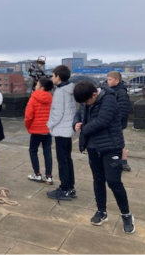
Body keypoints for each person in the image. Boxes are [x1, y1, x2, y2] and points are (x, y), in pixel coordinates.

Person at [73, 81, 135, 234]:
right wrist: (76, 123)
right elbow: (79, 113)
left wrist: (83, 130)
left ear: (95, 94)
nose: (86, 104)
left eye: (87, 101)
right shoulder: (87, 99)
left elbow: (103, 121)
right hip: (93, 147)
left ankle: (126, 215)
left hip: (110, 146)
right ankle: (102, 211)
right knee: (98, 180)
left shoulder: (109, 99)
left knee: (114, 182)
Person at [46, 65, 77, 200]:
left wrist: (49, 125)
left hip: (60, 130)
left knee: (62, 160)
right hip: (67, 129)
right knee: (67, 159)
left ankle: (64, 189)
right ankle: (70, 187)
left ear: (58, 76)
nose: (52, 78)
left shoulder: (60, 91)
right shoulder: (70, 89)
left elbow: (57, 114)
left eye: (53, 75)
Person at [25, 78, 54, 185]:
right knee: (47, 152)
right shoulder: (52, 98)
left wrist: (28, 127)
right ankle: (49, 176)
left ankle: (37, 174)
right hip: (48, 130)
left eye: (37, 84)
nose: (35, 86)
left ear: (41, 87)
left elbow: (28, 116)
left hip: (36, 130)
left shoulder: (33, 98)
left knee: (33, 151)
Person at [107, 71, 131, 172]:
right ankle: (123, 162)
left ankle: (121, 163)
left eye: (110, 79)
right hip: (113, 121)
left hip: (117, 122)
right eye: (107, 79)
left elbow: (123, 109)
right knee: (118, 142)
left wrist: (115, 121)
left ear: (117, 81)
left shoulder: (121, 92)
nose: (108, 81)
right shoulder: (112, 90)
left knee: (118, 142)